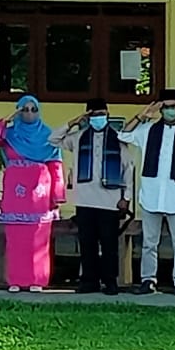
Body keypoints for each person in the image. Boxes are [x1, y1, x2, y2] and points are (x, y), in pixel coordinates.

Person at [0, 95, 65, 292]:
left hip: (40, 191)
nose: (29, 113)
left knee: (38, 238)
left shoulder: (48, 135)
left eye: (34, 109)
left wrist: (57, 196)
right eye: (24, 109)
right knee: (16, 238)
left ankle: (37, 280)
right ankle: (16, 280)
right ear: (18, 111)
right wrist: (7, 120)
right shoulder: (9, 134)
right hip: (15, 191)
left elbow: (56, 165)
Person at [119, 88, 175, 295]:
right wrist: (142, 115)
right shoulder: (148, 130)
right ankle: (148, 279)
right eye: (166, 107)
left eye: (174, 106)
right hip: (151, 195)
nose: (170, 110)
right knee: (149, 242)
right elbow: (123, 134)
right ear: (160, 109)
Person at [52, 98, 129, 295]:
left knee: (109, 245)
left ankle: (110, 282)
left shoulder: (118, 137)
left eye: (102, 114)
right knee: (87, 245)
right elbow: (53, 139)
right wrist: (73, 122)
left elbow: (128, 168)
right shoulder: (78, 137)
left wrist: (126, 197)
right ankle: (89, 282)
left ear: (108, 115)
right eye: (94, 115)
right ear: (88, 116)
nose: (99, 118)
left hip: (110, 200)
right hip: (84, 200)